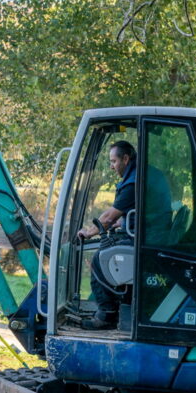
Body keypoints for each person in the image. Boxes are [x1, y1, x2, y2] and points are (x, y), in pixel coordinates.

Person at [77, 141, 138, 330]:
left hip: (141, 239)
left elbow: (109, 217)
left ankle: (107, 315)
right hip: (140, 233)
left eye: (113, 161)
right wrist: (126, 221)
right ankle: (115, 308)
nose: (111, 167)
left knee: (99, 260)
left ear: (125, 159)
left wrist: (89, 232)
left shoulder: (133, 182)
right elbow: (132, 211)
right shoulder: (136, 176)